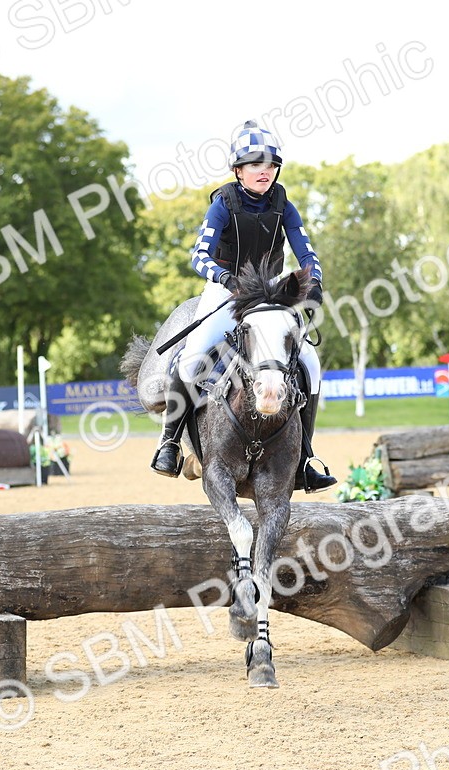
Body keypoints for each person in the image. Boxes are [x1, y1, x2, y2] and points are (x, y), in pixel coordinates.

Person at [150, 120, 337, 493]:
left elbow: (306, 252)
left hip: (269, 295)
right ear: (238, 171)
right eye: (255, 165)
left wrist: (311, 280)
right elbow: (199, 256)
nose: (264, 171)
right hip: (227, 290)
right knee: (193, 356)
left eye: (269, 165)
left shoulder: (284, 204)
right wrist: (224, 280)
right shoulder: (223, 204)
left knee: (310, 365)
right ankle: (170, 443)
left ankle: (304, 457)